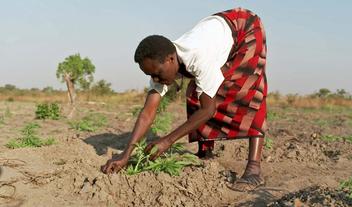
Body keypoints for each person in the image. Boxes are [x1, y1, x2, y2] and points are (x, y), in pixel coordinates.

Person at [101, 7, 268, 192]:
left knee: (249, 90)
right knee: (196, 93)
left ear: (171, 59)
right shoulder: (161, 61)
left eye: (156, 74)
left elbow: (208, 110)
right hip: (220, 31)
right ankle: (206, 153)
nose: (155, 80)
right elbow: (148, 113)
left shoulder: (198, 56)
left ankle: (254, 169)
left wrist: (167, 141)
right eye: (151, 76)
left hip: (246, 29)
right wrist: (126, 154)